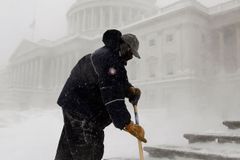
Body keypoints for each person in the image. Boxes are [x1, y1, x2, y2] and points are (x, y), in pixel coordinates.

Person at [54, 29, 147, 160]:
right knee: (90, 150)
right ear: (125, 47)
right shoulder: (109, 59)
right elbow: (112, 94)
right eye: (131, 53)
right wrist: (127, 124)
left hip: (76, 106)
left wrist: (129, 90)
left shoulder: (107, 57)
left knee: (70, 149)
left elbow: (113, 81)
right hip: (83, 111)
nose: (131, 57)